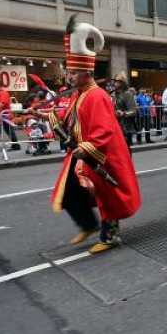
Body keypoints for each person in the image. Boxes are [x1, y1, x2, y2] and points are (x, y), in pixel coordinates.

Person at [40, 17, 141, 254]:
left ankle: (110, 236)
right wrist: (44, 115)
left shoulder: (97, 96)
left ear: (87, 72)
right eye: (69, 72)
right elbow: (67, 116)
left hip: (101, 155)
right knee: (70, 190)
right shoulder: (79, 94)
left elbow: (104, 129)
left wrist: (87, 147)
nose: (70, 77)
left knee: (108, 196)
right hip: (82, 152)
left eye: (74, 72)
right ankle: (87, 224)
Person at [0, 82, 21, 150]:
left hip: (3, 114)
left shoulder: (3, 93)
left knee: (8, 129)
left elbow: (2, 103)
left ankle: (16, 145)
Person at [111, 72, 138, 147]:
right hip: (116, 127)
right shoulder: (114, 94)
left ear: (122, 83)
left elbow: (133, 111)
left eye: (116, 81)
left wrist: (123, 113)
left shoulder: (127, 94)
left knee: (125, 152)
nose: (114, 83)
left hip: (125, 128)